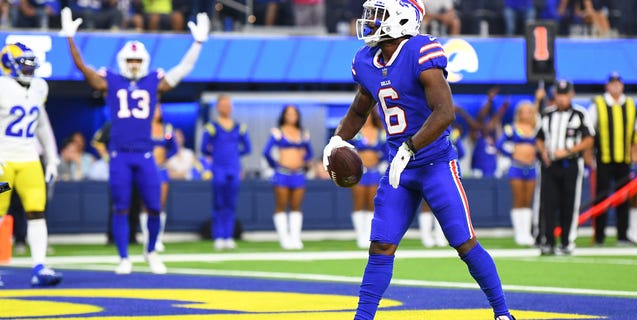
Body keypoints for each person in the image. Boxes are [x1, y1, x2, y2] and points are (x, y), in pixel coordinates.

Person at [322, 0, 515, 318]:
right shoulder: (367, 61)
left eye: (378, 15)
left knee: (463, 243)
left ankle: (502, 311)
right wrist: (337, 140)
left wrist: (409, 148)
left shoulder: (421, 51)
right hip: (400, 169)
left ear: (399, 21)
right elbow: (360, 109)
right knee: (381, 246)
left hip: (435, 162)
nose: (369, 21)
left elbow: (445, 112)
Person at [61, 7, 209, 274]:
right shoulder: (112, 80)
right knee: (121, 206)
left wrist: (198, 43)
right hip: (119, 153)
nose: (133, 64)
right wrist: (70, 38)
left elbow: (182, 70)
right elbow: (84, 69)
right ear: (121, 60)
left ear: (145, 61)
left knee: (153, 205)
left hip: (144, 154)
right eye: (130, 59)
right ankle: (123, 256)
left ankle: (150, 250)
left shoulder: (153, 81)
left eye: (137, 60)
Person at [0, 42, 62, 286]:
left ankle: (39, 267)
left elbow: (42, 124)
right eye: (24, 65)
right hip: (3, 162)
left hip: (28, 160)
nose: (29, 70)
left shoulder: (39, 87)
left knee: (37, 212)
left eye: (30, 65)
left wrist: (52, 157)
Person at [536, 79, 594, 255]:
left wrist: (569, 150)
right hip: (550, 165)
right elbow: (539, 137)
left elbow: (589, 139)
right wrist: (543, 152)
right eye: (559, 94)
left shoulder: (580, 114)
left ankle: (567, 241)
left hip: (571, 164)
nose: (561, 98)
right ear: (555, 95)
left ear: (571, 95)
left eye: (565, 94)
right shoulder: (547, 114)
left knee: (569, 203)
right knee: (548, 203)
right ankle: (548, 241)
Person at [588, 72, 637, 246]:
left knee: (623, 197)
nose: (616, 86)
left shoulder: (631, 105)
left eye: (618, 83)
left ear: (622, 86)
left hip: (624, 159)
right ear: (607, 86)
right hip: (603, 159)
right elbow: (589, 132)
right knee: (601, 197)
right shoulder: (598, 104)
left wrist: (636, 154)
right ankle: (599, 236)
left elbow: (636, 133)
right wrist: (589, 156)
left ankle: (623, 235)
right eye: (612, 83)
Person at [201, 94, 252, 250]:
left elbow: (248, 148)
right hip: (219, 168)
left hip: (233, 168)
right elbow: (204, 148)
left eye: (228, 104)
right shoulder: (212, 127)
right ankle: (218, 236)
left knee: (231, 203)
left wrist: (235, 156)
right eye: (222, 104)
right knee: (219, 203)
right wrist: (217, 156)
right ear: (217, 107)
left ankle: (228, 236)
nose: (226, 107)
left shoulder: (239, 127)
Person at [263, 104, 313, 250]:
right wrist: (275, 165)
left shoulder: (303, 133)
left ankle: (295, 238)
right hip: (282, 173)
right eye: (288, 113)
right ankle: (284, 238)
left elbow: (309, 152)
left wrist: (305, 162)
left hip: (298, 174)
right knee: (281, 205)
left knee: (296, 206)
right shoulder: (277, 132)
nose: (291, 116)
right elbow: (266, 152)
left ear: (298, 116)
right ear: (284, 115)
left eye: (294, 113)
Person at [496, 101, 538, 246]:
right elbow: (499, 144)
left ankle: (527, 233)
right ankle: (519, 233)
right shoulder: (512, 129)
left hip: (531, 168)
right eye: (523, 111)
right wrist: (511, 153)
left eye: (529, 111)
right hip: (517, 167)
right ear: (519, 114)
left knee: (528, 200)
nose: (526, 114)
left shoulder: (536, 129)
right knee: (518, 199)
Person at [418, 124, 464, 248]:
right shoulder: (423, 128)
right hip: (427, 168)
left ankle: (441, 235)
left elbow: (462, 151)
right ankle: (426, 236)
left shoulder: (453, 132)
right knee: (426, 204)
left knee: (444, 203)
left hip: (445, 169)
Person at [139, 104, 177, 253]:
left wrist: (164, 157)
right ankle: (146, 236)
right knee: (145, 204)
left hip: (161, 169)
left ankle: (158, 238)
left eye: (158, 109)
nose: (156, 112)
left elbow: (173, 147)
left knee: (159, 204)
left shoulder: (167, 128)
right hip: (146, 169)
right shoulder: (142, 127)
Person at [349, 111, 386, 249]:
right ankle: (360, 235)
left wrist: (382, 162)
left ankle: (369, 235)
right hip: (359, 172)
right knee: (359, 202)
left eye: (369, 114)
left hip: (374, 172)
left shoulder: (379, 132)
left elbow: (385, 150)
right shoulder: (355, 133)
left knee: (372, 203)